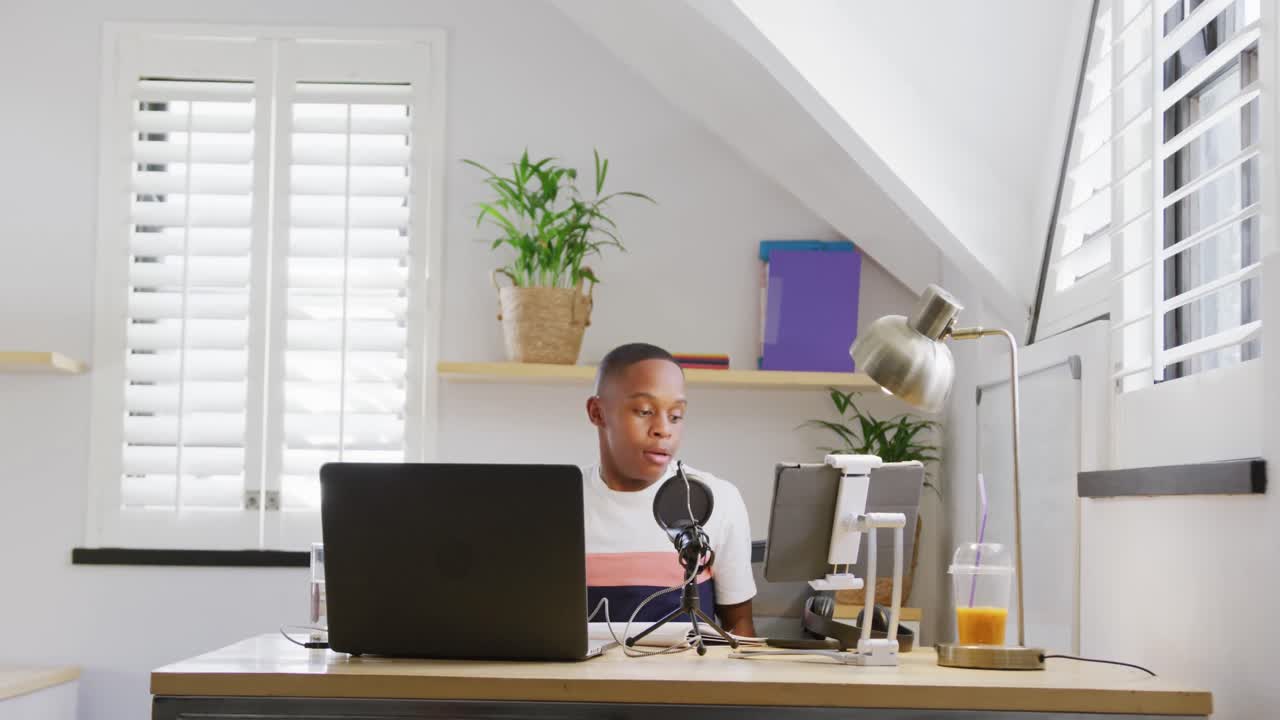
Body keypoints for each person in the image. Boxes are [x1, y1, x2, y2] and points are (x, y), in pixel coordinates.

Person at [583, 342, 756, 637]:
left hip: (689, 668)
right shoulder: (558, 504)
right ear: (597, 412)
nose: (664, 429)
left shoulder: (718, 499)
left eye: (675, 416)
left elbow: (739, 626)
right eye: (644, 411)